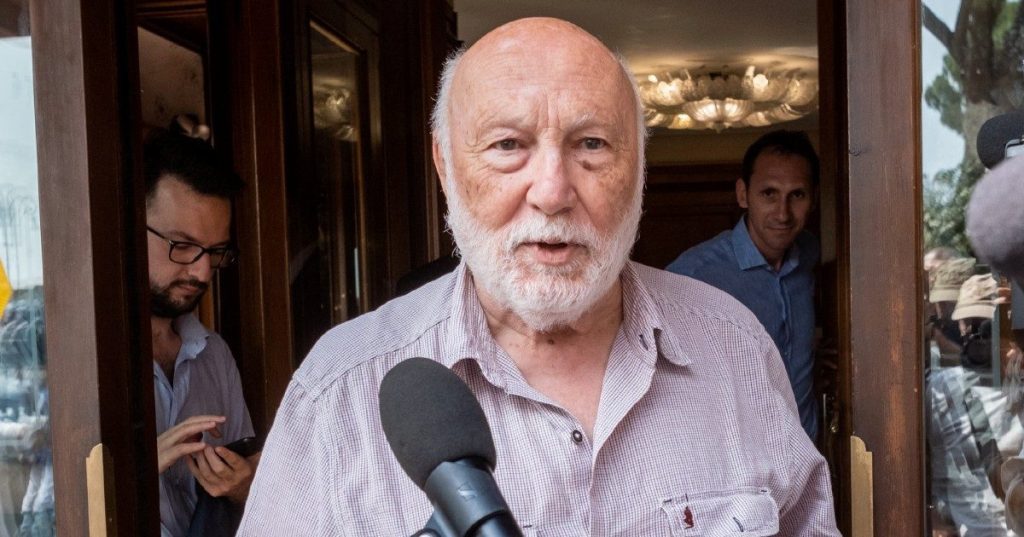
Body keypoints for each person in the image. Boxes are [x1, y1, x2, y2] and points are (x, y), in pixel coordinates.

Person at [239, 18, 838, 534]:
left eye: (592, 144)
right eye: (507, 145)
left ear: (638, 166)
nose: (552, 192)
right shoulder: (338, 391)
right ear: (445, 166)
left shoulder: (735, 348)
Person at [665, 130, 821, 440]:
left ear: (813, 199)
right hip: (739, 459)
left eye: (797, 195)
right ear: (743, 194)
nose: (783, 213)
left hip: (809, 452)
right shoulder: (693, 274)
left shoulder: (811, 254)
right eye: (769, 193)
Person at [145, 128, 259, 537]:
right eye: (181, 245)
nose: (202, 272)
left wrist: (243, 485)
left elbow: (248, 482)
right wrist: (133, 475)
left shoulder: (214, 355)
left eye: (214, 252)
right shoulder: (82, 362)